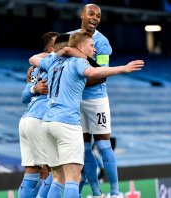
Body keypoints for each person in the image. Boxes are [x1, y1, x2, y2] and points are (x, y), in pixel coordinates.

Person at [32, 32, 144, 198]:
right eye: (91, 46)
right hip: (66, 122)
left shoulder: (53, 61)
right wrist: (123, 68)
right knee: (73, 176)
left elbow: (32, 59)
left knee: (57, 177)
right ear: (79, 47)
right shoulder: (78, 62)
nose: (94, 49)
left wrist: (62, 51)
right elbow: (94, 73)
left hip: (47, 122)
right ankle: (114, 193)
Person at [67, 4, 121, 197]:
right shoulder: (69, 38)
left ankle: (115, 192)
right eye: (91, 14)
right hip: (76, 102)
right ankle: (97, 192)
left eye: (98, 16)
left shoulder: (102, 42)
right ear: (82, 15)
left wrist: (73, 84)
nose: (95, 18)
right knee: (84, 148)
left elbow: (102, 75)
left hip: (96, 100)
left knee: (103, 145)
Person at [17, 31, 59, 198]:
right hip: (39, 120)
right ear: (50, 50)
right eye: (59, 44)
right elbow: (23, 97)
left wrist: (34, 88)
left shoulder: (35, 69)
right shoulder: (55, 66)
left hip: (26, 121)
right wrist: (35, 89)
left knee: (32, 171)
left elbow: (24, 97)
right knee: (52, 171)